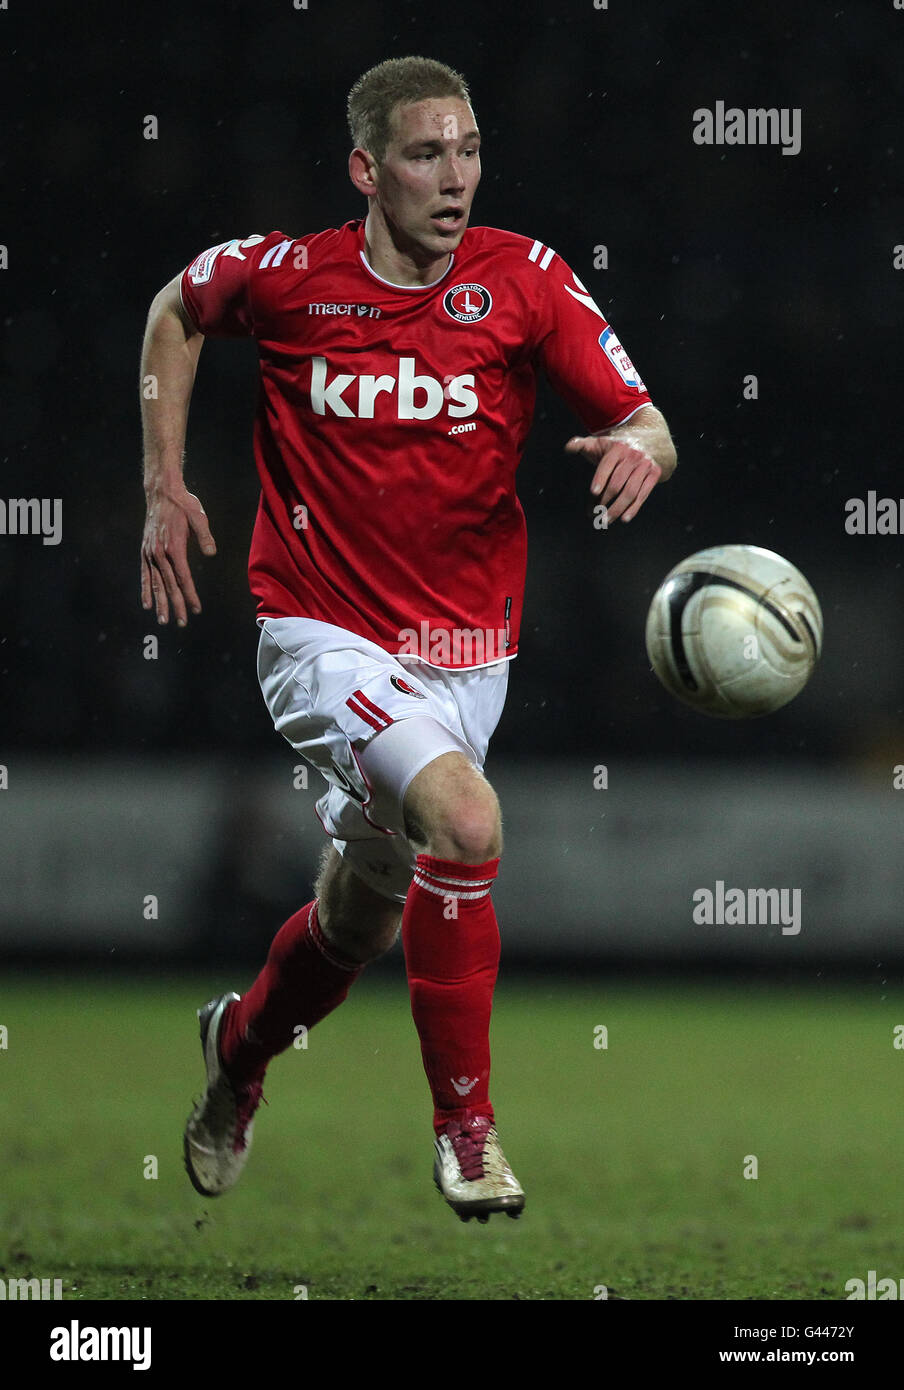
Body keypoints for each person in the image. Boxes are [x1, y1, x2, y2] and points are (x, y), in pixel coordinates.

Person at [139, 55, 677, 1224]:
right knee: (468, 820)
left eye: (470, 150)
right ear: (366, 170)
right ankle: (466, 1136)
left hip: (466, 656)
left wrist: (642, 447)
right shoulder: (291, 276)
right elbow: (178, 306)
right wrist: (164, 481)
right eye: (427, 155)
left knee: (357, 917)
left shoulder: (525, 281)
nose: (456, 179)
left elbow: (646, 417)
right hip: (318, 633)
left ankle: (236, 1053)